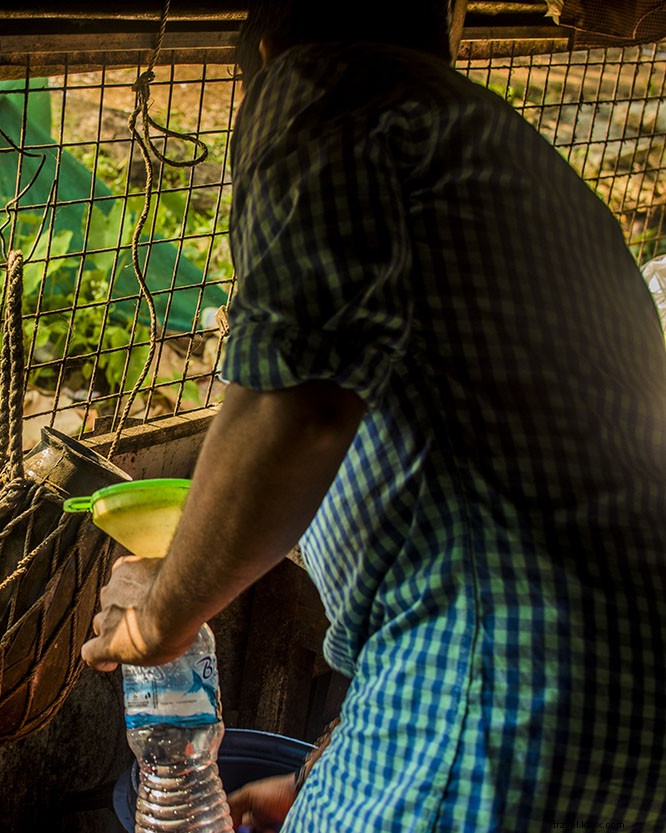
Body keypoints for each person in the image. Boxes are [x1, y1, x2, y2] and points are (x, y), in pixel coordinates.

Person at [80, 1, 666, 830]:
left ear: (270, 33)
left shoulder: (330, 86)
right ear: (447, 25)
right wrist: (330, 771)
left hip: (505, 696)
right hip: (598, 712)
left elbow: (299, 403)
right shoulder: (492, 146)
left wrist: (156, 624)